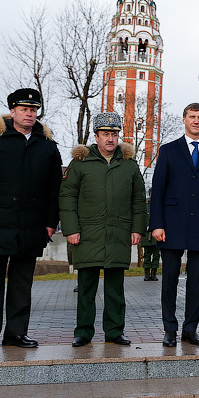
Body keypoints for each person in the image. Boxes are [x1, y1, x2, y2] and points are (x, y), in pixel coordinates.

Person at [0, 88, 63, 352]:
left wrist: (51, 222)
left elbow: (54, 188)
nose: (29, 114)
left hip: (31, 225)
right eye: (24, 109)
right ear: (12, 112)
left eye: (33, 110)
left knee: (22, 283)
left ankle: (16, 333)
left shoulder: (47, 146)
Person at [60, 112, 147, 346]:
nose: (111, 139)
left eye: (114, 134)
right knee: (86, 287)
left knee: (115, 288)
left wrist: (138, 228)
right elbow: (67, 197)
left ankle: (115, 331)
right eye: (106, 134)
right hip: (87, 234)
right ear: (96, 136)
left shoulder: (129, 165)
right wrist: (71, 229)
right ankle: (83, 331)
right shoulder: (80, 164)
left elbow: (139, 200)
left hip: (119, 233)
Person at [150, 103, 199, 347]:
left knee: (196, 282)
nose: (196, 121)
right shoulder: (168, 150)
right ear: (184, 119)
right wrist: (157, 224)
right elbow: (158, 190)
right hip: (171, 225)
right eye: (192, 116)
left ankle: (190, 329)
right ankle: (169, 330)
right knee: (169, 280)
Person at [140, 200, 160, 281]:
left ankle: (154, 273)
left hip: (156, 235)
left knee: (156, 255)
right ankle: (147, 273)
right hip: (146, 235)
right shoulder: (145, 205)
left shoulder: (157, 204)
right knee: (147, 255)